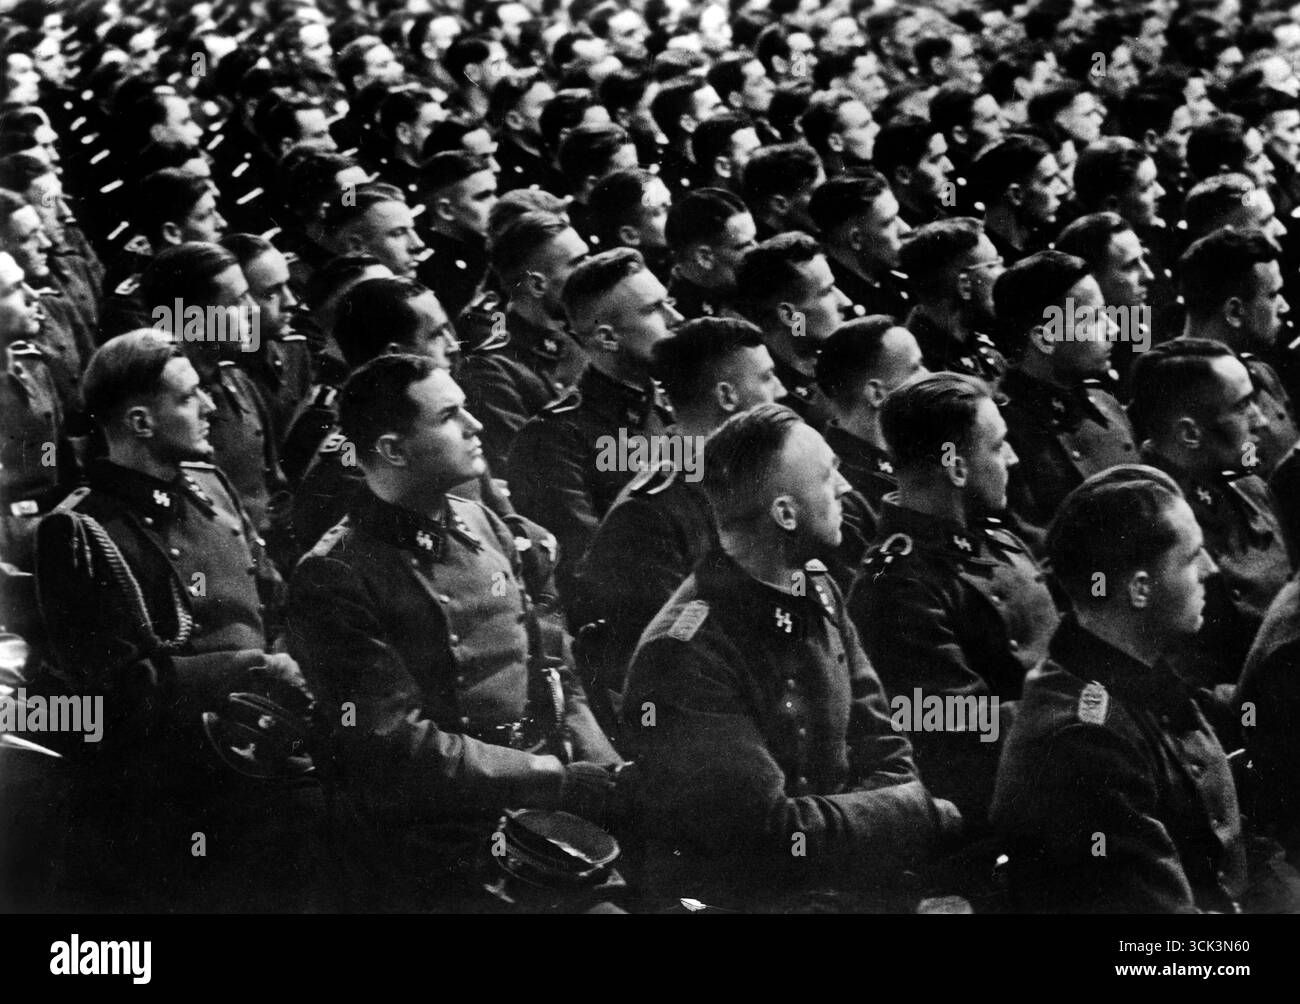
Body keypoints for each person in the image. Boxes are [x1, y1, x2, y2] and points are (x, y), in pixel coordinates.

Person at [287, 353, 621, 910]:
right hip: (436, 840)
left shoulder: (482, 521)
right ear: (393, 449)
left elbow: (554, 671)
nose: (476, 426)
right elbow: (397, 748)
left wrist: (609, 774)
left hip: (538, 807)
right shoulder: (335, 574)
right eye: (450, 416)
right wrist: (552, 776)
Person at [621, 402, 963, 912]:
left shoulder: (817, 588)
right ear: (785, 514)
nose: (846, 491)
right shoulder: (684, 653)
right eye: (828, 478)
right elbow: (769, 836)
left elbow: (882, 742)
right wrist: (913, 814)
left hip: (845, 877)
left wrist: (896, 813)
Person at [34, 329, 314, 911]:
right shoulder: (81, 532)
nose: (211, 406)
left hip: (271, 749)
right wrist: (253, 666)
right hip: (179, 790)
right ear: (140, 423)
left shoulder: (208, 485)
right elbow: (116, 694)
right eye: (189, 398)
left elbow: (275, 598)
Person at [993, 465, 1300, 913]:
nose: (1211, 569)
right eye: (1193, 556)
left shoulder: (1135, 678)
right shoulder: (1083, 744)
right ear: (1139, 588)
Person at [848, 372, 1060, 824]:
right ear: (957, 468)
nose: (1013, 458)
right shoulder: (896, 585)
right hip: (1009, 808)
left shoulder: (991, 533)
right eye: (998, 445)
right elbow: (964, 732)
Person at [569, 316, 786, 713]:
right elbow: (665, 661)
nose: (782, 391)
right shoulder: (648, 517)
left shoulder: (747, 476)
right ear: (727, 396)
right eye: (768, 378)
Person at [507, 248, 679, 601]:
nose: (676, 318)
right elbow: (589, 569)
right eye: (653, 310)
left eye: (669, 302)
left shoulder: (673, 410)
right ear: (607, 339)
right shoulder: (553, 439)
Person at [1130, 338, 1293, 688]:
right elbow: (1183, 684)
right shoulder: (1143, 528)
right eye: (1243, 406)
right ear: (1190, 433)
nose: (1261, 420)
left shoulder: (1250, 488)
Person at [993, 251, 1138, 529]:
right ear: (1045, 338)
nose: (1113, 329)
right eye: (1093, 319)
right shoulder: (1004, 428)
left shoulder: (1105, 403)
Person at [814, 316, 926, 539]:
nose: (929, 376)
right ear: (877, 393)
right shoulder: (842, 491)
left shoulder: (915, 452)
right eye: (916, 369)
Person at [733, 231, 850, 429]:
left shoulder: (838, 357)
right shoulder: (770, 400)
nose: (845, 302)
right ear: (790, 316)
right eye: (826, 292)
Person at [898, 217, 1007, 384]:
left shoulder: (978, 344)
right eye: (992, 266)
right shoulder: (924, 370)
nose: (1003, 274)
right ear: (964, 285)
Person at [664, 186, 756, 322]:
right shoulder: (684, 323)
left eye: (754, 240)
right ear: (704, 257)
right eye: (745, 246)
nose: (757, 249)